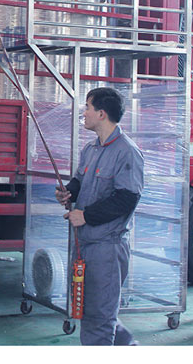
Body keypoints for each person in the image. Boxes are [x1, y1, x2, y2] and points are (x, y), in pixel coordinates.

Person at [55, 87, 144, 346]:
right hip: (85, 244)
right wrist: (68, 192)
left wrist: (86, 216)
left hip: (107, 249)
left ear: (102, 114)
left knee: (99, 317)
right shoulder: (91, 149)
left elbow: (127, 199)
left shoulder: (127, 152)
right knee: (93, 311)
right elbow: (80, 181)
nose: (84, 113)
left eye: (88, 107)